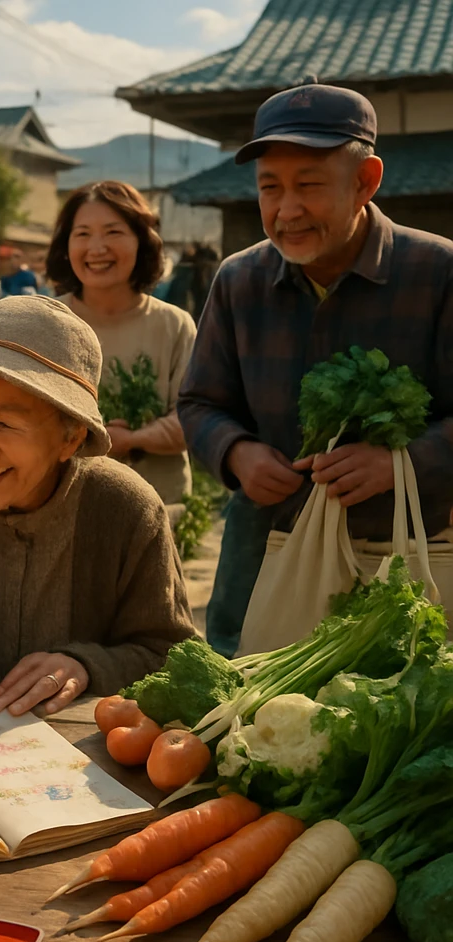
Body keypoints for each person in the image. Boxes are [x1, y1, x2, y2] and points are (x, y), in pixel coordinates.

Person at [178, 82, 453, 658]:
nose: (286, 210)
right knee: (247, 713)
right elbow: (200, 402)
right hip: (264, 547)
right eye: (269, 188)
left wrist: (399, 462)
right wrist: (236, 453)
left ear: (365, 181)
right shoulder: (239, 280)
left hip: (407, 558)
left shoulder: (437, 273)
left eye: (308, 185)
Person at [0, 296, 195, 716]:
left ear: (70, 438)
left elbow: (171, 655)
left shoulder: (127, 509)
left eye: (3, 423)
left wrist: (88, 665)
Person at [48, 180, 195, 507]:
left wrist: (132, 440)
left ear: (142, 242)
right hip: (61, 504)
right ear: (66, 245)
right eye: (83, 234)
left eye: (113, 232)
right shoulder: (47, 320)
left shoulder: (174, 325)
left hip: (159, 505)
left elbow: (195, 416)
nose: (97, 248)